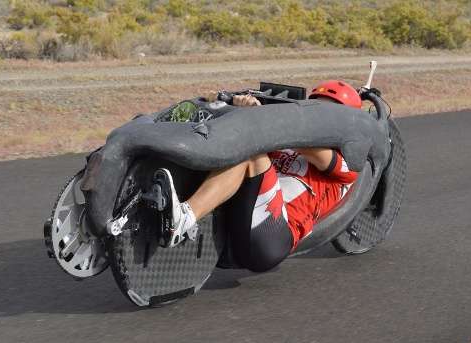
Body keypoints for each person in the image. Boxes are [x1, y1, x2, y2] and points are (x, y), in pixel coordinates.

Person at [155, 80, 361, 272]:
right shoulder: (285, 144)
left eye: (328, 115)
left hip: (272, 239)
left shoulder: (348, 163)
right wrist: (227, 105)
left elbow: (300, 142)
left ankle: (183, 219)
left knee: (250, 153)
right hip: (241, 227)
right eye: (316, 110)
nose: (318, 120)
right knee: (228, 146)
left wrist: (260, 114)